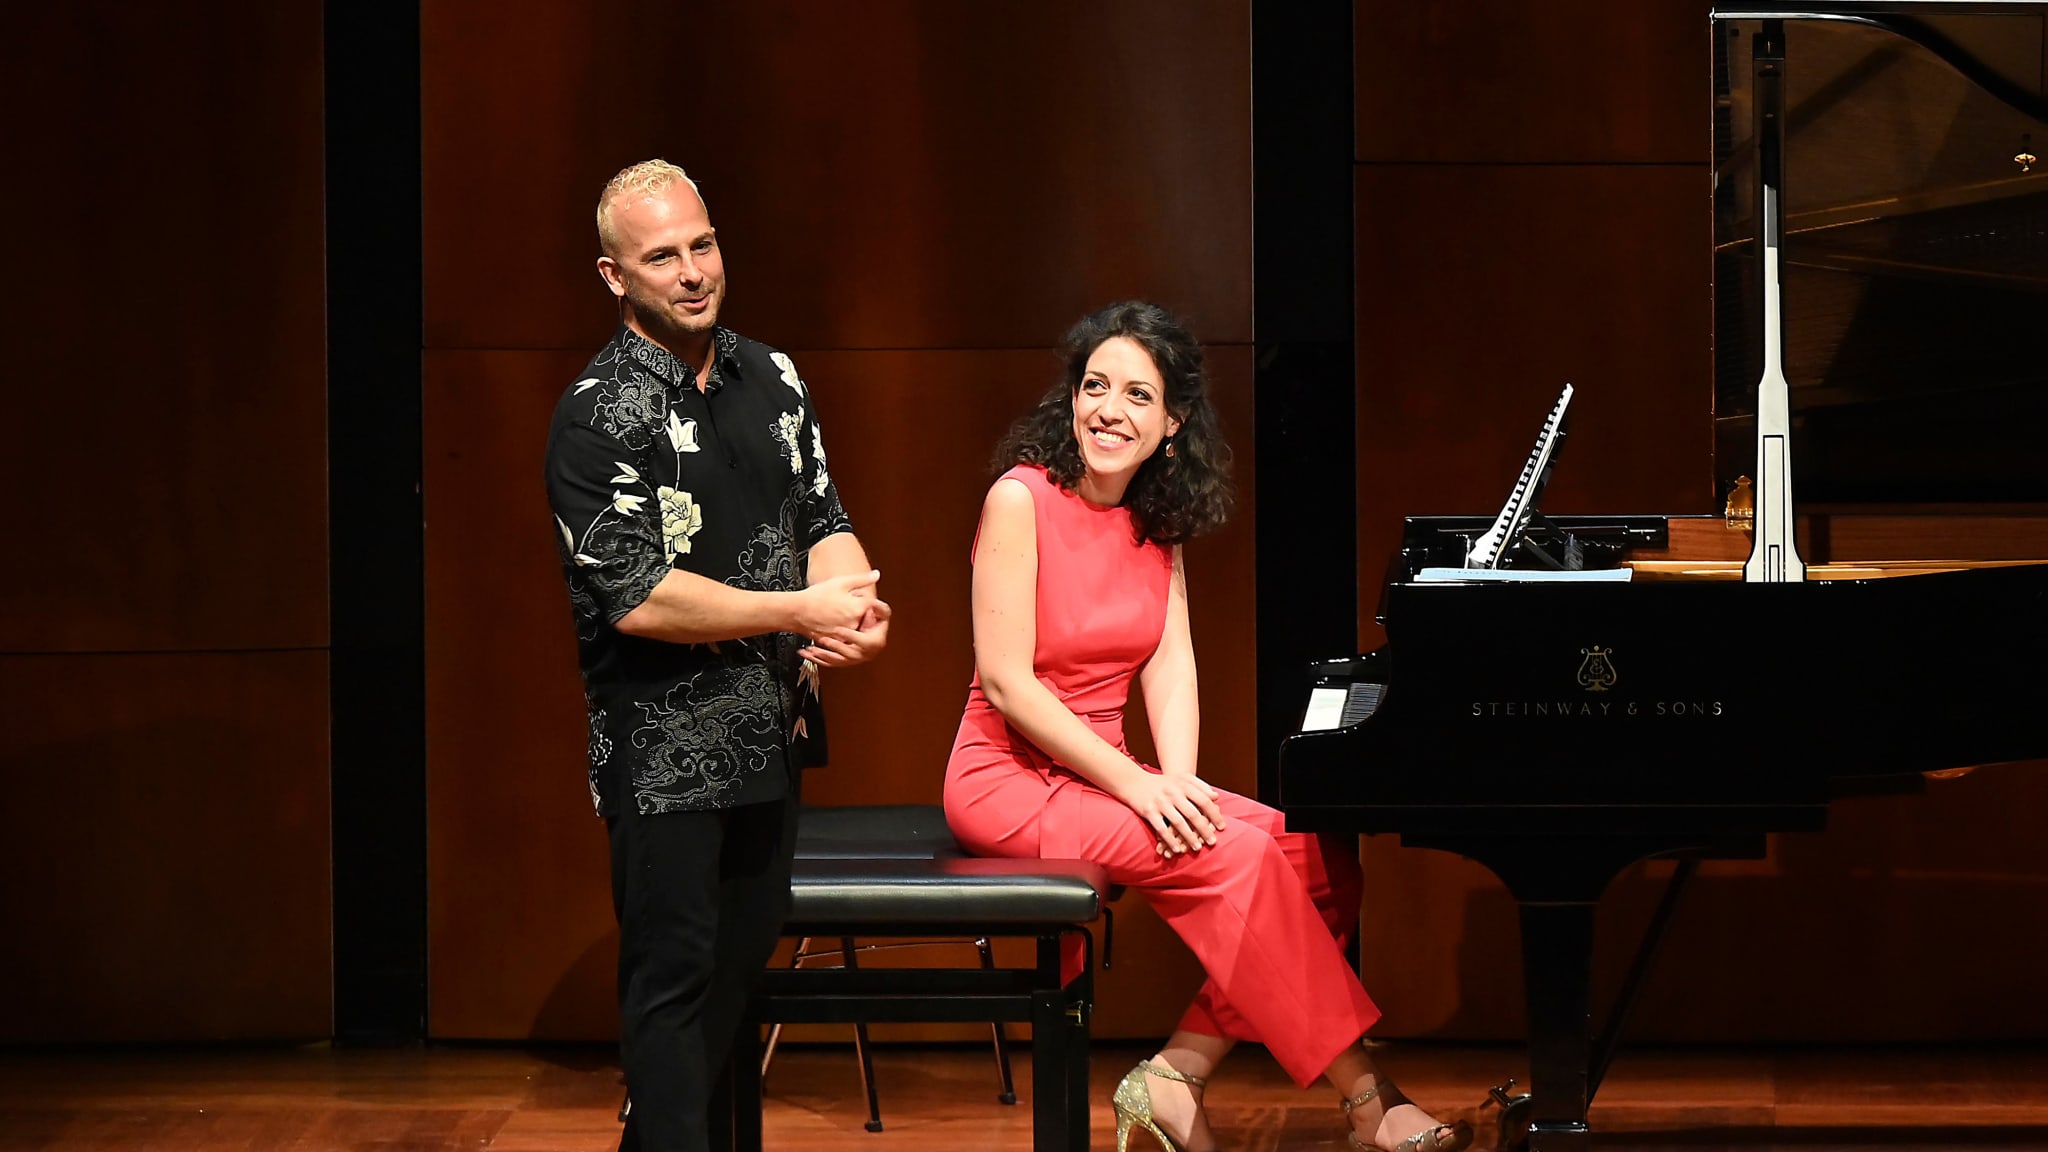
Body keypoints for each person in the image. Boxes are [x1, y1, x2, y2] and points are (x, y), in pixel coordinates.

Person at [943, 300, 1471, 1152]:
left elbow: (1169, 662)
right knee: (1241, 853)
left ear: (1173, 421)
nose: (1109, 410)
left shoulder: (1156, 519)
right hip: (1012, 782)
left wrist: (1178, 780)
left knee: (1318, 857)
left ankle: (1176, 1073)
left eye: (1138, 396)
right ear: (1071, 399)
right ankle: (1369, 1099)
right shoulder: (1021, 499)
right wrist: (1142, 787)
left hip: (1107, 771)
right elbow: (1008, 686)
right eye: (1095, 387)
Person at [544, 158, 891, 1152]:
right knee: (672, 991)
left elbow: (822, 513)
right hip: (661, 757)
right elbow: (638, 596)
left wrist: (852, 603)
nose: (693, 271)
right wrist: (798, 610)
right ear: (616, 277)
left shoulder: (771, 375)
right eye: (662, 257)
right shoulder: (596, 413)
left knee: (731, 992)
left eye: (702, 245)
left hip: (768, 737)